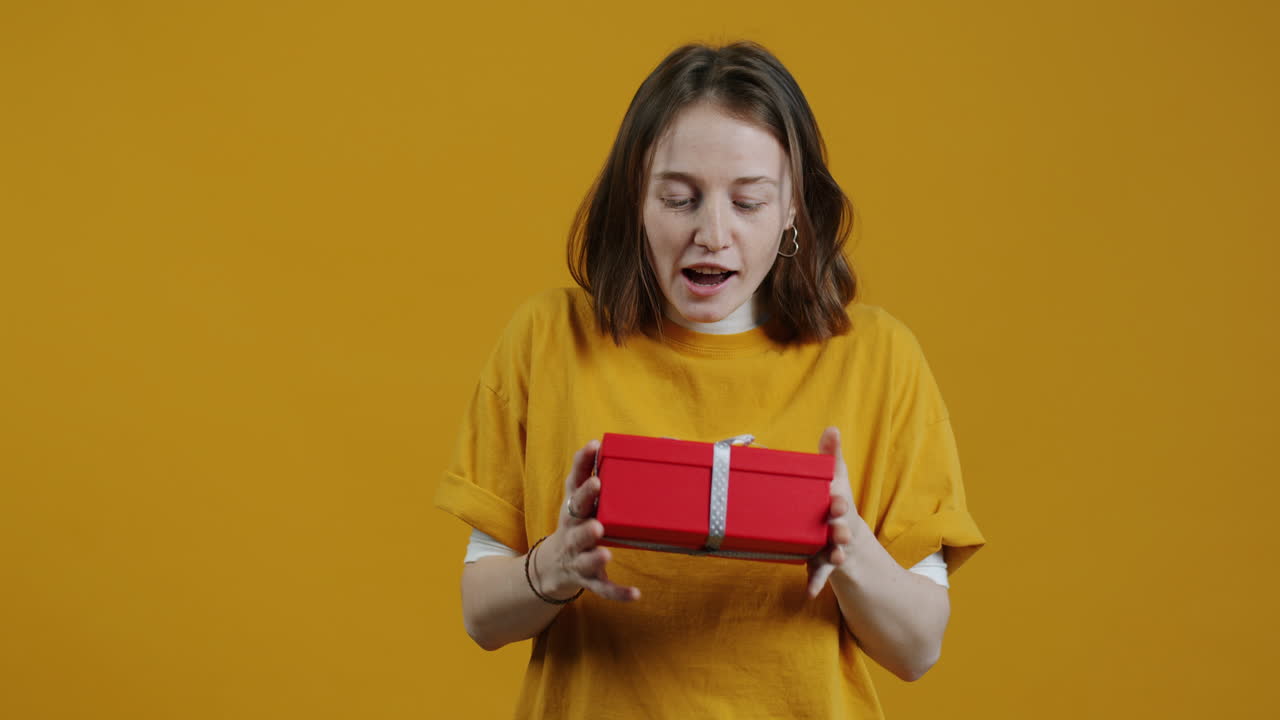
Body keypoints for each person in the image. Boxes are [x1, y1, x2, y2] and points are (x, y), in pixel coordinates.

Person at [435, 40, 986, 719]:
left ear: (793, 211)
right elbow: (482, 617)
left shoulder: (878, 358)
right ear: (635, 199)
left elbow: (917, 649)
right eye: (678, 198)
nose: (712, 233)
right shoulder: (549, 339)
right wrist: (553, 567)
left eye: (748, 202)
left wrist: (850, 548)